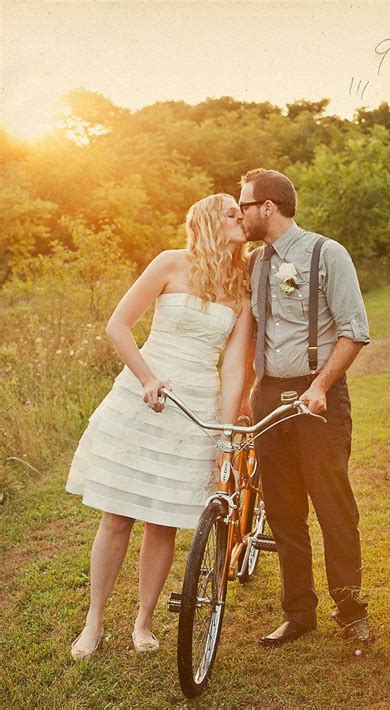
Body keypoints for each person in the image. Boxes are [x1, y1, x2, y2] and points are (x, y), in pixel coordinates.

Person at [66, 193, 253, 660]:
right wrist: (147, 378)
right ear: (210, 221)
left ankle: (144, 621)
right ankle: (94, 622)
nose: (242, 219)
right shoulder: (171, 263)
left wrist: (225, 432)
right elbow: (118, 325)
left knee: (163, 520)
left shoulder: (243, 285)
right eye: (233, 213)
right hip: (144, 396)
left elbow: (234, 367)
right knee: (117, 516)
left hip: (198, 404)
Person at [239, 169, 373, 647]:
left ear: (268, 207)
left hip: (318, 394)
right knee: (282, 509)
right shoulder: (254, 262)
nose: (241, 211)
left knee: (333, 504)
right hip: (269, 395)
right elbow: (250, 333)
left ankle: (350, 608)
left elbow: (355, 328)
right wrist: (245, 395)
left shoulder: (327, 253)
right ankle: (299, 613)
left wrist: (320, 385)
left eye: (246, 204)